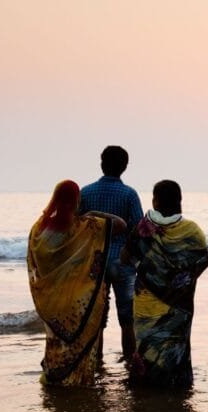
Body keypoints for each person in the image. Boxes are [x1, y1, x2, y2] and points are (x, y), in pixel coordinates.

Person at [27, 180, 125, 386]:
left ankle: (55, 378)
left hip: (54, 302)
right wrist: (94, 213)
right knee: (80, 345)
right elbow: (120, 224)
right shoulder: (85, 227)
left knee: (56, 342)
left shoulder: (39, 230)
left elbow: (37, 262)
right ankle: (77, 382)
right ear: (76, 200)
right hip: (79, 301)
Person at [123, 180, 208, 388]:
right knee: (176, 342)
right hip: (178, 304)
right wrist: (181, 280)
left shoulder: (143, 228)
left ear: (155, 200)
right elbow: (204, 258)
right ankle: (175, 384)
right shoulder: (192, 230)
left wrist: (148, 268)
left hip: (146, 300)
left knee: (146, 344)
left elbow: (125, 256)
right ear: (179, 200)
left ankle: (147, 384)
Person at [79, 145, 143, 360]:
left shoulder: (86, 193)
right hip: (122, 261)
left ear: (101, 164)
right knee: (127, 318)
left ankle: (96, 361)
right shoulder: (129, 194)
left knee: (97, 317)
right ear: (124, 167)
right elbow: (138, 230)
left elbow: (77, 229)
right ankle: (130, 361)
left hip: (94, 261)